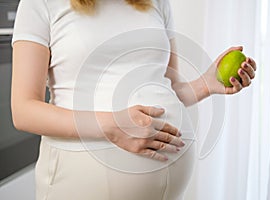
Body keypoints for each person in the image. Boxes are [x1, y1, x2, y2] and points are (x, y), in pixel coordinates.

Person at [11, 0, 256, 199]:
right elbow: (23, 110)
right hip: (78, 181)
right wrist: (112, 127)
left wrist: (206, 84)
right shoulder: (40, 4)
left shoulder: (156, 3)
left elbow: (165, 88)